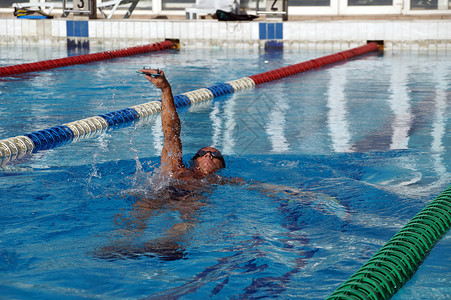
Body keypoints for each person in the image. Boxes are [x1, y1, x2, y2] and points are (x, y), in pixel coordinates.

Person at [139, 68, 226, 181]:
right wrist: (165, 89)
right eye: (202, 153)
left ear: (222, 167)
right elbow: (171, 134)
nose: (208, 155)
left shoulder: (225, 182)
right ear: (194, 161)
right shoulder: (176, 170)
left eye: (215, 155)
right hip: (159, 197)